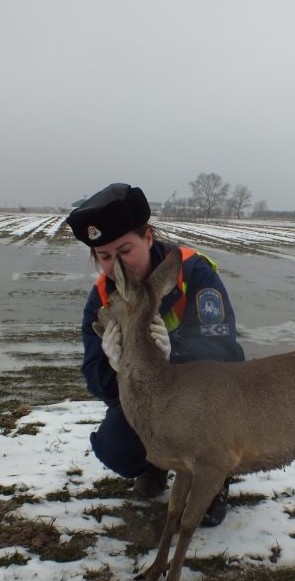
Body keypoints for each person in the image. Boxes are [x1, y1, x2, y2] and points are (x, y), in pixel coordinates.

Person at [67, 183, 245, 527]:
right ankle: (156, 466)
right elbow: (94, 379)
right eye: (104, 256)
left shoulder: (194, 274)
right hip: (152, 404)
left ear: (148, 237)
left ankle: (216, 476)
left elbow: (227, 352)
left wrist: (172, 353)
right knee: (115, 447)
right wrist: (116, 366)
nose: (116, 265)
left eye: (125, 249)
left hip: (204, 402)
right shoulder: (103, 298)